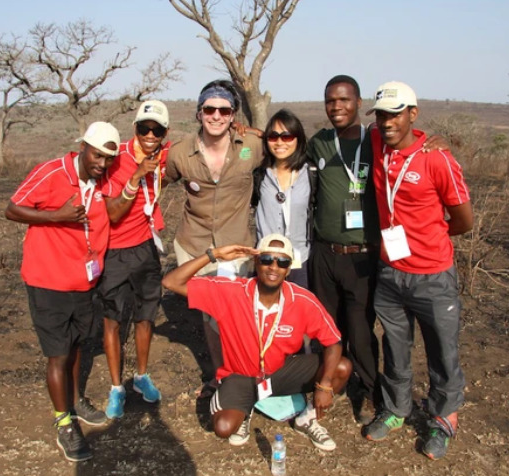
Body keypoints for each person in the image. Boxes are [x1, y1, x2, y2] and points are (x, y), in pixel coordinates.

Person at [361, 81, 473, 461]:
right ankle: (396, 409)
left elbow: (463, 220)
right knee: (395, 346)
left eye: (395, 113)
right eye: (381, 114)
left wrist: (432, 239)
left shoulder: (436, 159)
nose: (387, 122)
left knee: (442, 349)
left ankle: (444, 418)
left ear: (413, 113)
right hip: (391, 272)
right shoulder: (377, 142)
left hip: (432, 275)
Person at [161, 234, 352, 452]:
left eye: (282, 262)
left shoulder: (302, 300)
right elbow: (170, 282)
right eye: (267, 259)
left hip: (279, 372)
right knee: (224, 427)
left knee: (341, 366)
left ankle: (306, 419)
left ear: (289, 269)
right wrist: (214, 254)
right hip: (240, 376)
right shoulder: (231, 292)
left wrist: (324, 385)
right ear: (256, 262)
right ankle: (245, 408)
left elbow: (334, 342)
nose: (273, 267)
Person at [5, 122, 120, 462]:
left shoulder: (101, 182)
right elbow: (11, 209)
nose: (102, 163)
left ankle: (75, 401)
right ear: (83, 147)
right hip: (48, 280)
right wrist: (56, 217)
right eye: (97, 155)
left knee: (77, 344)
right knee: (58, 353)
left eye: (108, 158)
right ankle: (64, 422)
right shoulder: (52, 172)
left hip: (82, 280)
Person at [165, 79, 263, 393]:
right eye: (209, 109)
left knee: (238, 313)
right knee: (210, 315)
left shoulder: (252, 146)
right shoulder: (180, 153)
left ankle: (246, 371)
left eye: (224, 110)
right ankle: (222, 373)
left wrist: (258, 131)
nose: (216, 116)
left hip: (236, 245)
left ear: (233, 115)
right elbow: (156, 181)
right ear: (199, 114)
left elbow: (286, 148)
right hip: (194, 244)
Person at [306, 75, 382, 422]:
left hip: (362, 255)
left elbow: (411, 145)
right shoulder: (320, 142)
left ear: (359, 103)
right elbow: (282, 146)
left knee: (361, 329)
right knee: (327, 327)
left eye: (344, 100)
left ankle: (368, 392)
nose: (336, 107)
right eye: (330, 101)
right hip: (324, 253)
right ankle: (331, 380)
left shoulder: (376, 139)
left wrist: (435, 143)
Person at [97, 100, 170, 419]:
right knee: (112, 320)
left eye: (157, 130)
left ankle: (141, 376)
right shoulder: (116, 159)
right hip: (114, 250)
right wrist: (136, 176)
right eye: (144, 128)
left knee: (145, 315)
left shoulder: (162, 155)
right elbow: (112, 213)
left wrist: (244, 130)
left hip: (146, 248)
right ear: (135, 129)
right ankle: (116, 388)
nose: (150, 135)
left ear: (165, 134)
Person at [252, 108, 314, 288]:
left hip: (299, 260)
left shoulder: (310, 173)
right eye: (273, 136)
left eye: (286, 136)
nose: (279, 142)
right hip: (266, 260)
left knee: (296, 311)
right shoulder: (260, 174)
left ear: (298, 139)